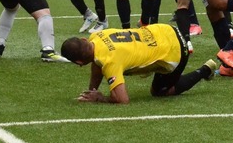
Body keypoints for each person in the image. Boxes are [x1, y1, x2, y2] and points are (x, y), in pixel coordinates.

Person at [61, 24, 218, 104]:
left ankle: (204, 70)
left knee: (159, 92)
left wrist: (101, 98)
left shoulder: (109, 61)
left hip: (174, 51)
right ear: (84, 40)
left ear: (79, 63)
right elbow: (97, 61)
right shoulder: (96, 36)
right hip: (166, 30)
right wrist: (92, 91)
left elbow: (123, 100)